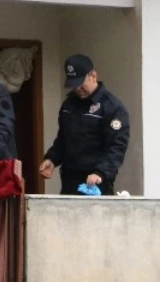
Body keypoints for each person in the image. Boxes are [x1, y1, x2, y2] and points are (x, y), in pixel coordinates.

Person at [39, 54, 130, 195]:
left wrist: (100, 172)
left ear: (93, 76)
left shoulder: (112, 107)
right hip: (70, 177)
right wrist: (52, 159)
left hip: (96, 180)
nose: (78, 88)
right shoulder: (68, 105)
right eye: (73, 84)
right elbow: (63, 138)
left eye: (81, 82)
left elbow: (116, 147)